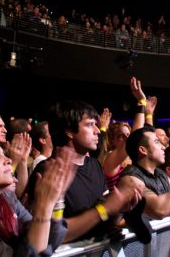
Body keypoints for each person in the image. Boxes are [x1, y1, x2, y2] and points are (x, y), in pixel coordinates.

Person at [26, 100, 142, 243]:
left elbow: (105, 219)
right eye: (89, 124)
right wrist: (103, 210)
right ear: (69, 131)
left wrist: (120, 208)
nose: (98, 130)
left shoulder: (94, 165)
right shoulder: (48, 171)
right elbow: (51, 236)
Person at [120, 125, 170, 219]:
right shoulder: (130, 179)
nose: (163, 147)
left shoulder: (160, 174)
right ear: (143, 150)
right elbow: (159, 210)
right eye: (157, 142)